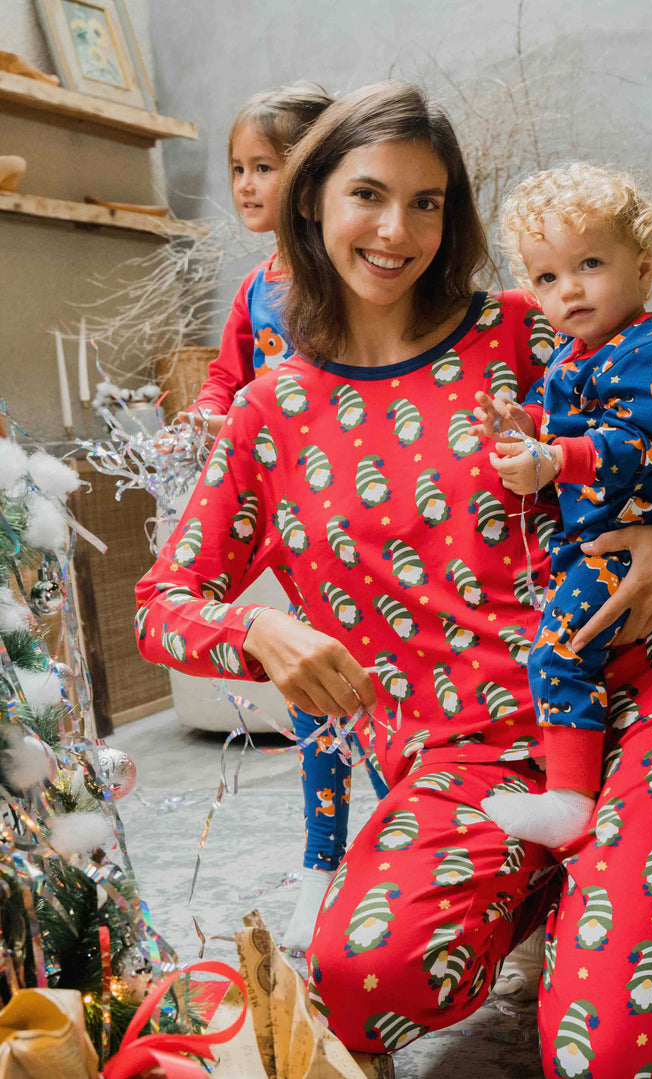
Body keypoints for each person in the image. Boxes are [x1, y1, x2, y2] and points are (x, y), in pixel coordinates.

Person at [135, 81, 652, 1078]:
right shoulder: (268, 413)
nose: (397, 229)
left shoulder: (529, 330)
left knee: (607, 1053)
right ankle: (557, 882)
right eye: (369, 194)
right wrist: (259, 632)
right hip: (458, 763)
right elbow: (162, 602)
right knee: (357, 984)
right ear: (311, 199)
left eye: (429, 200)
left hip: (628, 699)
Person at [177, 82, 388, 953]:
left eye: (266, 167)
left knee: (380, 694)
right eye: (238, 170)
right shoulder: (254, 289)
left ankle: (409, 834)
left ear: (317, 176)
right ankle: (322, 861)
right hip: (285, 525)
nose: (247, 186)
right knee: (314, 699)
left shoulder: (357, 281)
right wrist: (204, 413)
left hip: (363, 520)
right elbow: (227, 381)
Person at [473, 163, 652, 850]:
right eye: (547, 278)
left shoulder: (647, 350)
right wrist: (521, 422)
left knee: (560, 654)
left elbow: (631, 443)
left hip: (632, 534)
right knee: (596, 667)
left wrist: (551, 459)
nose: (569, 288)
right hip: (596, 539)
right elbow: (557, 416)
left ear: (643, 267)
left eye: (590, 264)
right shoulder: (576, 354)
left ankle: (571, 801)